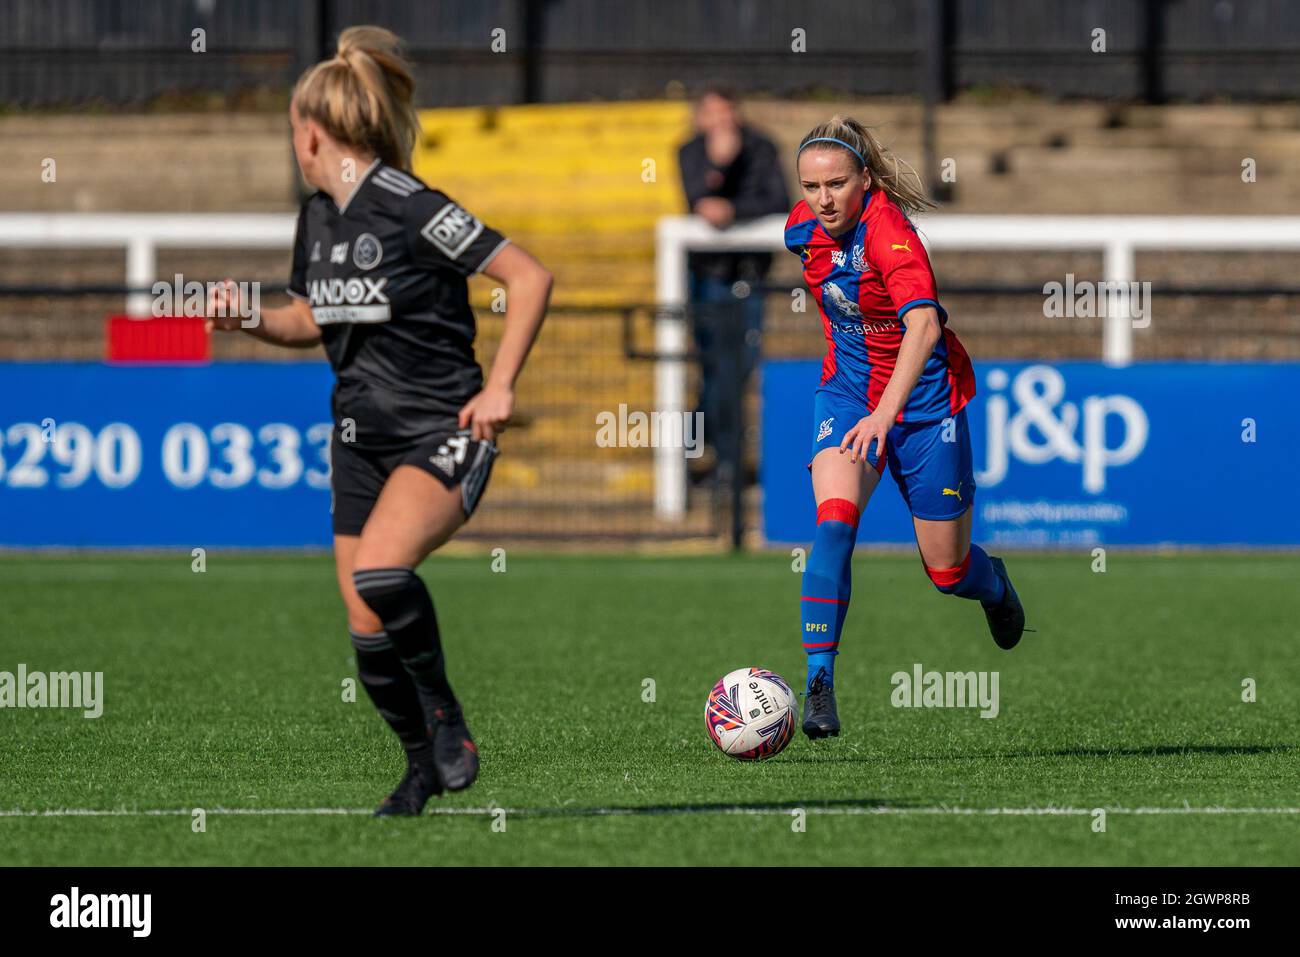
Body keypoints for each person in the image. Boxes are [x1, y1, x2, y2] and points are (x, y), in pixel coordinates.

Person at [205, 26, 552, 814]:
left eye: (293, 127)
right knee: (365, 623)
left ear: (313, 131)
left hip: (443, 428)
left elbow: (529, 277)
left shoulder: (413, 206)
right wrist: (250, 319)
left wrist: (499, 388)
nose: (293, 141)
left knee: (381, 572)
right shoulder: (318, 217)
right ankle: (421, 765)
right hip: (359, 437)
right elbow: (310, 318)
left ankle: (446, 718)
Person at [784, 116, 1026, 740]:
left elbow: (922, 327)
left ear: (865, 179)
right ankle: (819, 684)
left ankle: (993, 583)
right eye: (811, 186)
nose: (824, 198)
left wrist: (885, 415)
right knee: (834, 522)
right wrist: (863, 407)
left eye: (836, 183)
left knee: (947, 572)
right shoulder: (801, 229)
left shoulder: (891, 235)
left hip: (923, 410)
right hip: (845, 396)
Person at [677, 87, 788, 475]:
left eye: (729, 113)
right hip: (707, 275)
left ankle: (701, 445)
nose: (723, 122)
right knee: (714, 364)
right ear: (700, 118)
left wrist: (733, 210)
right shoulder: (690, 151)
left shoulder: (761, 147)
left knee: (739, 364)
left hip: (750, 276)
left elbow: (778, 202)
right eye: (714, 114)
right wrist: (720, 165)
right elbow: (698, 201)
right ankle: (717, 456)